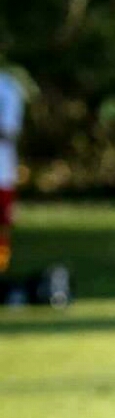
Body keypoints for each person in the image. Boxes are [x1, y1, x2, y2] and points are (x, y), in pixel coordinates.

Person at [0, 68, 23, 278]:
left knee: (3, 228)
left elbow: (9, 130)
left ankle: (2, 269)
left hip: (2, 173)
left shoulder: (7, 88)